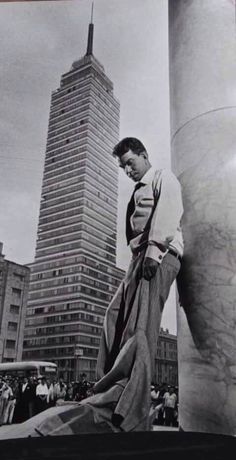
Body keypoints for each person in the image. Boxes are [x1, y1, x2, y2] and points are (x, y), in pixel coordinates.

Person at [93, 137, 184, 431]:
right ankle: (109, 390)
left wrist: (154, 252)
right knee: (113, 316)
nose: (127, 170)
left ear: (144, 155)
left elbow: (168, 212)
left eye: (130, 163)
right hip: (138, 257)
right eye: (123, 167)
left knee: (140, 329)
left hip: (157, 254)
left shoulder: (161, 177)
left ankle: (129, 407)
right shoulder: (137, 188)